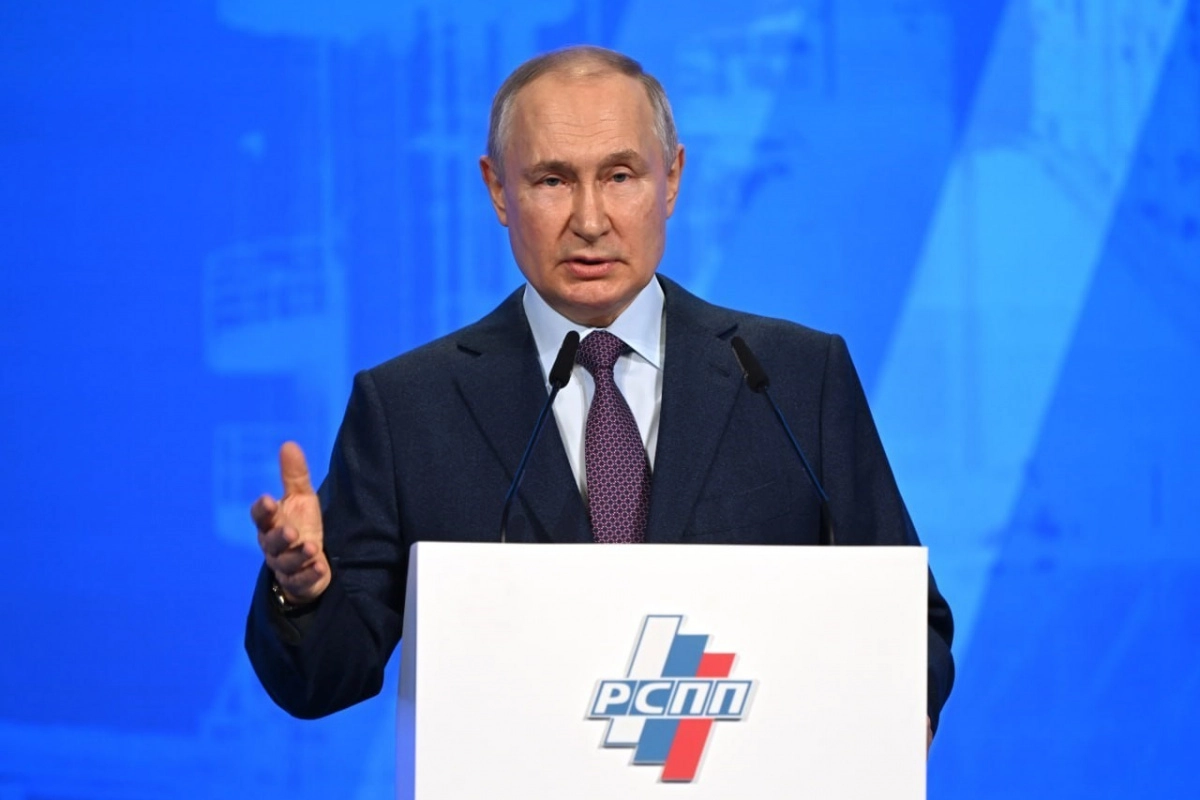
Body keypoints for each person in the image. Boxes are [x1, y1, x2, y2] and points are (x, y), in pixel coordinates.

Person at [245, 45, 954, 745]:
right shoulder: (409, 408)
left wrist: (896, 716)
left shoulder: (792, 378)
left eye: (620, 175)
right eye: (552, 180)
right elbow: (323, 679)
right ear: (498, 190)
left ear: (671, 179)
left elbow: (908, 619)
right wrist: (302, 592)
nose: (590, 220)